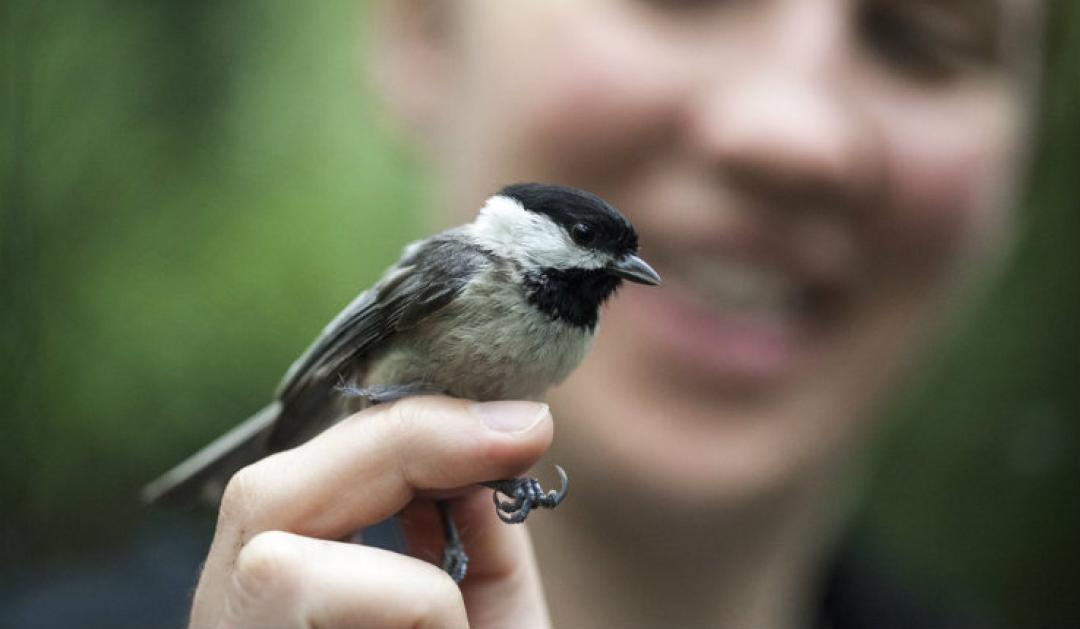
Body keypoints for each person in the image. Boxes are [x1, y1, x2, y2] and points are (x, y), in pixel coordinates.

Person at [188, 1, 1046, 627]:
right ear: (422, 27)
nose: (791, 137)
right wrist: (331, 405)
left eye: (924, 38)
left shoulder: (573, 325)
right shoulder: (472, 263)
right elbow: (358, 338)